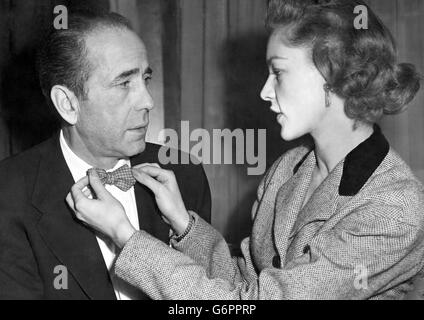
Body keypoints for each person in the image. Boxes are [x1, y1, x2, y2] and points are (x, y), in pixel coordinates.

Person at [69, 0, 424, 299]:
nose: (265, 92)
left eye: (278, 73)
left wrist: (125, 235)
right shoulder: (290, 168)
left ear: (333, 76)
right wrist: (183, 223)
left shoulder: (393, 210)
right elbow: (246, 281)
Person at [0, 10, 211, 300]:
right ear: (68, 104)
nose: (148, 101)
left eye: (145, 79)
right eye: (124, 83)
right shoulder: (9, 193)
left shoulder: (185, 174)